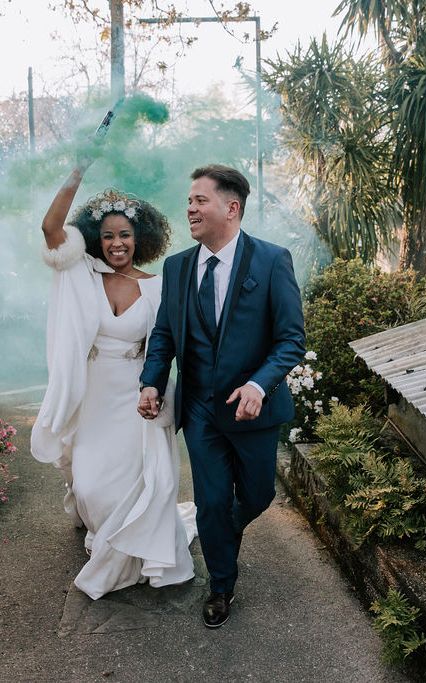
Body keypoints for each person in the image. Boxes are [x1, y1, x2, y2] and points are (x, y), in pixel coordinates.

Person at [138, 164, 305, 628]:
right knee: (211, 501)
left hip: (254, 411)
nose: (190, 208)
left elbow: (291, 339)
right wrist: (151, 381)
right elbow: (165, 334)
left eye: (199, 200)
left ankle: (221, 533)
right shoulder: (177, 267)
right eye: (189, 200)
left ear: (231, 208)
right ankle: (220, 585)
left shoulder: (272, 261)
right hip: (200, 410)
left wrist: (258, 384)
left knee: (257, 495)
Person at [30, 161, 197, 600]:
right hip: (94, 392)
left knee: (140, 478)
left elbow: (165, 344)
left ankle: (135, 550)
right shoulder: (81, 273)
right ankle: (109, 535)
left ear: (139, 239)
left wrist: (156, 389)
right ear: (96, 240)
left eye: (124, 234)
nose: (116, 243)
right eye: (107, 236)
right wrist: (76, 172)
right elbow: (51, 228)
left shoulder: (159, 286)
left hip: (139, 392)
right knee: (89, 483)